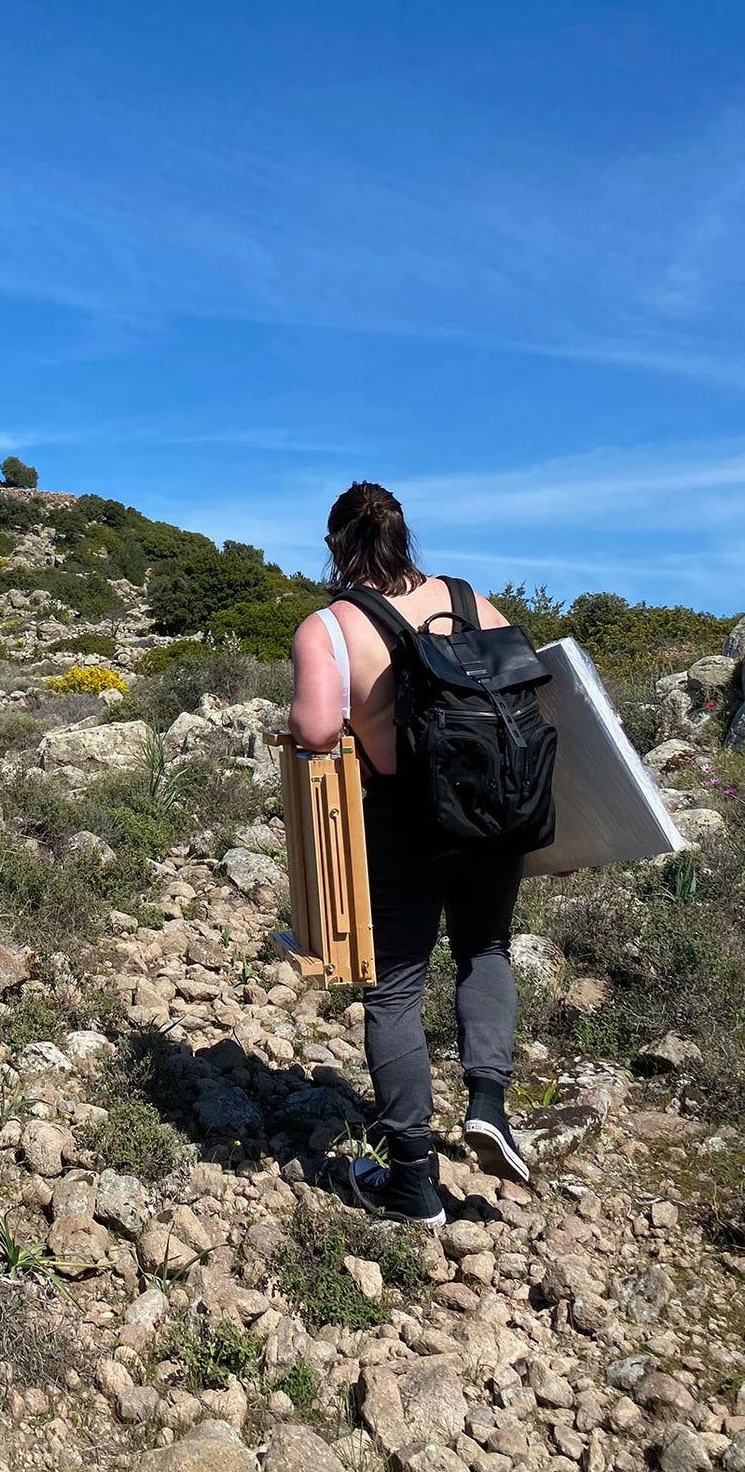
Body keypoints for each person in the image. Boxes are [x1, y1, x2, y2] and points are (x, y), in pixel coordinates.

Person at [289, 480, 531, 1227]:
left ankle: (413, 1183)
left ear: (336, 544)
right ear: (402, 535)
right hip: (495, 810)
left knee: (393, 988)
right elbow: (524, 681)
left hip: (408, 819)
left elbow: (319, 730)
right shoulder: (469, 599)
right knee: (484, 948)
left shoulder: (330, 625)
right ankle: (487, 1100)